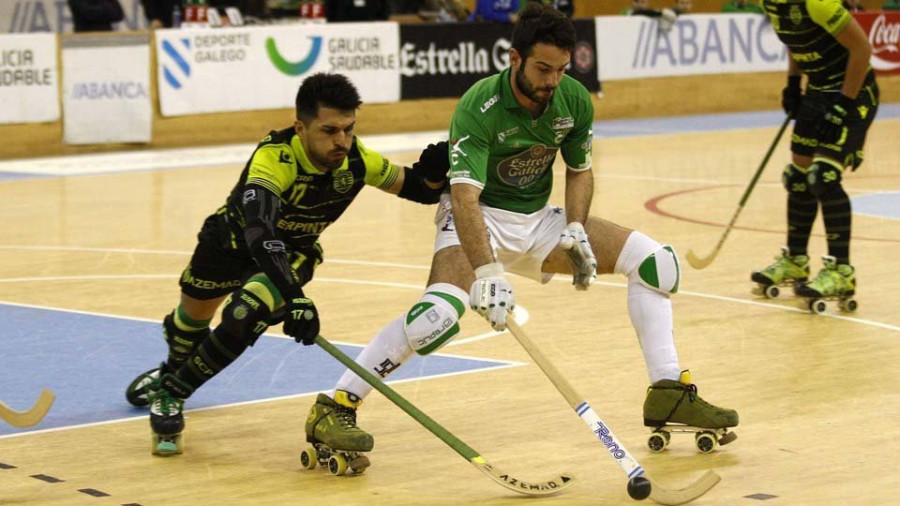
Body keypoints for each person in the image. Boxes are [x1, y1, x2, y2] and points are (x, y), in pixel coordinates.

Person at [308, 3, 738, 460]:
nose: (552, 81)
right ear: (514, 59)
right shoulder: (479, 106)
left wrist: (574, 227)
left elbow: (579, 170)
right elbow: (465, 196)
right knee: (435, 319)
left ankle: (667, 389)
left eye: (561, 69)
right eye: (542, 68)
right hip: (477, 219)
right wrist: (488, 270)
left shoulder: (572, 99)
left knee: (656, 263)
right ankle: (335, 404)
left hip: (538, 222)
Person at [124, 73, 450, 457]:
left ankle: (173, 393)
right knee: (188, 329)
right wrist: (296, 297)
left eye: (348, 129)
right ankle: (174, 369)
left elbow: (413, 188)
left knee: (247, 312)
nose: (341, 141)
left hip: (293, 253)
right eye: (329, 131)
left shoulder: (357, 159)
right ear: (301, 127)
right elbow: (260, 232)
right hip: (228, 243)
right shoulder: (274, 157)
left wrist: (429, 178)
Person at [752, 0, 878, 302]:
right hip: (818, 92)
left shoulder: (816, 3)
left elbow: (862, 50)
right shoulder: (769, 4)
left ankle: (841, 272)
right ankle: (796, 260)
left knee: (823, 176)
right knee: (797, 177)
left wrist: (844, 105)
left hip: (854, 93)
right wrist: (793, 83)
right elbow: (795, 40)